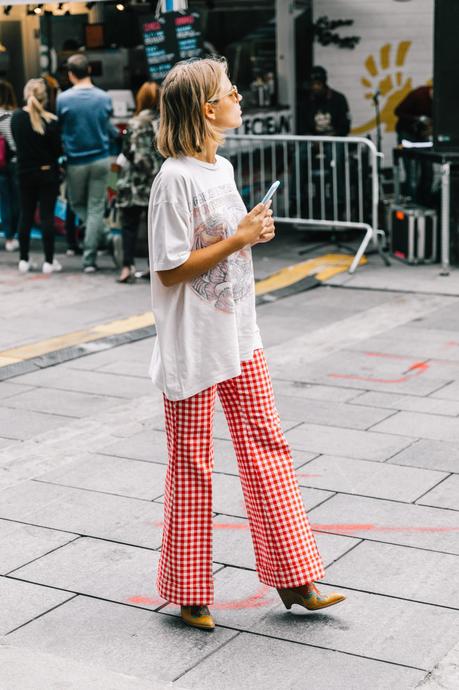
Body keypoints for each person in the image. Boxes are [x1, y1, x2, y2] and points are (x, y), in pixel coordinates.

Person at [148, 57, 346, 632]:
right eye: (231, 92)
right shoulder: (174, 178)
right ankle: (189, 592)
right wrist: (238, 237)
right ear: (208, 109)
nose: (240, 98)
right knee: (192, 465)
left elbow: (229, 249)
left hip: (240, 336)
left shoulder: (224, 169)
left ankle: (296, 577)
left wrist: (251, 233)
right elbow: (170, 269)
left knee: (268, 450)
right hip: (190, 343)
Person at [56, 53, 122, 272]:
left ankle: (89, 257)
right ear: (90, 71)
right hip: (101, 159)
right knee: (95, 207)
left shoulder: (63, 99)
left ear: (71, 75)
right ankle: (102, 238)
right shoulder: (103, 97)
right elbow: (107, 127)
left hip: (76, 160)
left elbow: (61, 129)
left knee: (76, 204)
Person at [11, 79, 62, 274]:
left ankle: (23, 259)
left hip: (24, 173)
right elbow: (57, 151)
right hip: (47, 172)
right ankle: (49, 261)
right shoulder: (50, 120)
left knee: (26, 215)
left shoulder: (15, 118)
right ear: (45, 98)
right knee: (47, 216)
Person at [115, 81, 162, 283]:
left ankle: (127, 267)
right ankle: (156, 268)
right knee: (157, 228)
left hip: (133, 183)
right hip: (158, 183)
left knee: (129, 226)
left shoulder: (134, 123)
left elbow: (129, 151)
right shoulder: (165, 122)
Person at [395, 83, 433, 204]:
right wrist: (417, 119)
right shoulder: (418, 95)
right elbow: (398, 111)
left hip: (422, 136)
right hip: (407, 133)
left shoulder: (440, 102)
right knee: (412, 173)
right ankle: (412, 202)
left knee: (428, 172)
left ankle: (425, 202)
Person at [299, 65, 351, 137]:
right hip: (312, 140)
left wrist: (328, 138)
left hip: (334, 139)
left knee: (333, 148)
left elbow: (344, 127)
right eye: (312, 84)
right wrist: (312, 139)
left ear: (324, 83)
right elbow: (302, 127)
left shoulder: (339, 99)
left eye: (318, 84)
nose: (315, 87)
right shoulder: (305, 102)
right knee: (302, 148)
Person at [0, 79, 20, 252]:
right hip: (15, 162)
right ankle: (15, 235)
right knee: (16, 200)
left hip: (0, 162)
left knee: (4, 201)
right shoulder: (16, 115)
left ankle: (8, 236)